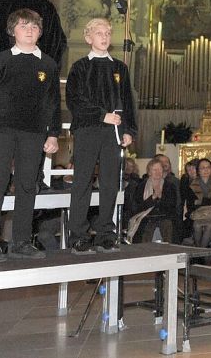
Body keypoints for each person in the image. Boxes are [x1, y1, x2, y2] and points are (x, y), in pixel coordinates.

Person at [0, 9, 61, 261]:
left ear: (40, 31)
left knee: (27, 186)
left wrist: (53, 134)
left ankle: (22, 242)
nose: (30, 30)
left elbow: (53, 104)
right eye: (24, 26)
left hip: (33, 133)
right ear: (13, 31)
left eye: (34, 26)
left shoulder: (49, 64)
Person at [64, 18, 137, 254]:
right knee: (82, 182)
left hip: (113, 132)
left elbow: (128, 102)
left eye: (107, 33)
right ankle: (78, 235)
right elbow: (75, 101)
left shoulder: (120, 68)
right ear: (88, 38)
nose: (104, 37)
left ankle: (106, 233)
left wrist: (128, 130)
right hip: (87, 130)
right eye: (98, 33)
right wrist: (101, 115)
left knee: (109, 183)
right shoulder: (80, 67)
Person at [131, 158, 178, 243]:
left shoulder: (169, 186)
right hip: (146, 217)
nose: (158, 172)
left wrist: (160, 197)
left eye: (160, 169)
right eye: (155, 170)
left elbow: (172, 206)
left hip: (164, 217)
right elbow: (137, 207)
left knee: (167, 225)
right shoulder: (141, 186)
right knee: (147, 227)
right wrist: (152, 198)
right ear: (149, 172)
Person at [183, 158, 211, 247]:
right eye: (202, 168)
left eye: (208, 167)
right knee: (197, 225)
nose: (206, 170)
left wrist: (201, 202)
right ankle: (200, 251)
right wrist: (206, 202)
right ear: (198, 170)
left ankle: (200, 252)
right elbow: (191, 204)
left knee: (209, 225)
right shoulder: (192, 184)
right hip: (197, 214)